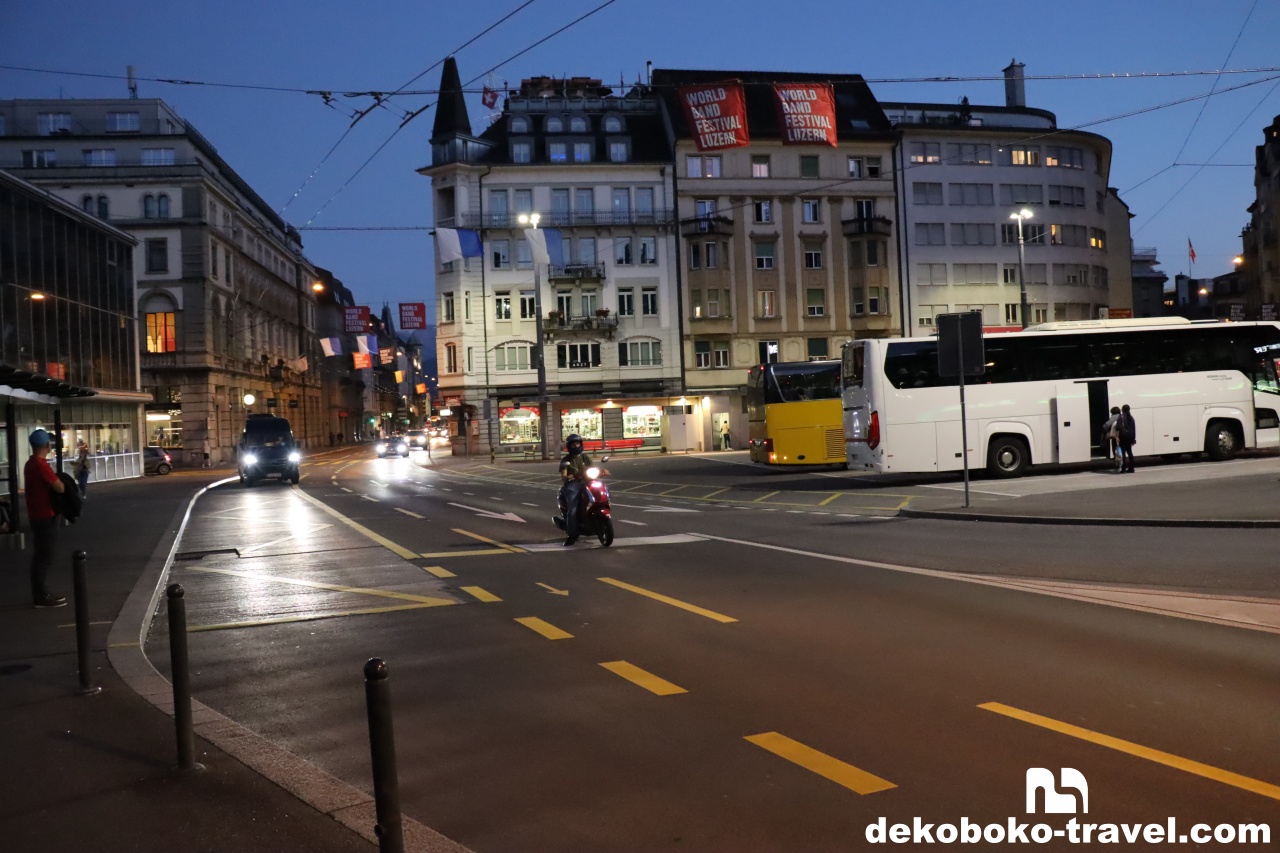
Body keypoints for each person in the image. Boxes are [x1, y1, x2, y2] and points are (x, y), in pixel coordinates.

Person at [24, 429, 67, 608]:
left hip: (36, 514)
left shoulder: (29, 464)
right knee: (44, 556)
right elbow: (59, 488)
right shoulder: (41, 465)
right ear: (46, 445)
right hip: (45, 515)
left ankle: (40, 592)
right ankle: (41, 595)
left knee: (41, 555)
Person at [557, 433, 593, 546]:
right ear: (569, 446)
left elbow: (593, 468)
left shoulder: (585, 457)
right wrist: (567, 476)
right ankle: (572, 534)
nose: (576, 446)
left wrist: (602, 471)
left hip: (587, 482)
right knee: (572, 510)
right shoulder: (566, 459)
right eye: (573, 444)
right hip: (573, 484)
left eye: (577, 443)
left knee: (601, 492)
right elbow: (564, 474)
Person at [1101, 406, 1123, 472]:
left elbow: (1106, 425)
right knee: (1121, 451)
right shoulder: (1122, 416)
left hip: (1115, 437)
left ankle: (1118, 466)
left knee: (1116, 451)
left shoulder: (1115, 416)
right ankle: (1121, 465)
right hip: (1122, 437)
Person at [1118, 404, 1137, 473]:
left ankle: (1123, 469)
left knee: (1123, 453)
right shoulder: (1131, 418)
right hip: (1130, 437)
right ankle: (1131, 468)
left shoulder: (1121, 417)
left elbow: (1118, 427)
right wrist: (1133, 439)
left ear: (1122, 410)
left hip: (1123, 437)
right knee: (1130, 452)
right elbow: (1134, 429)